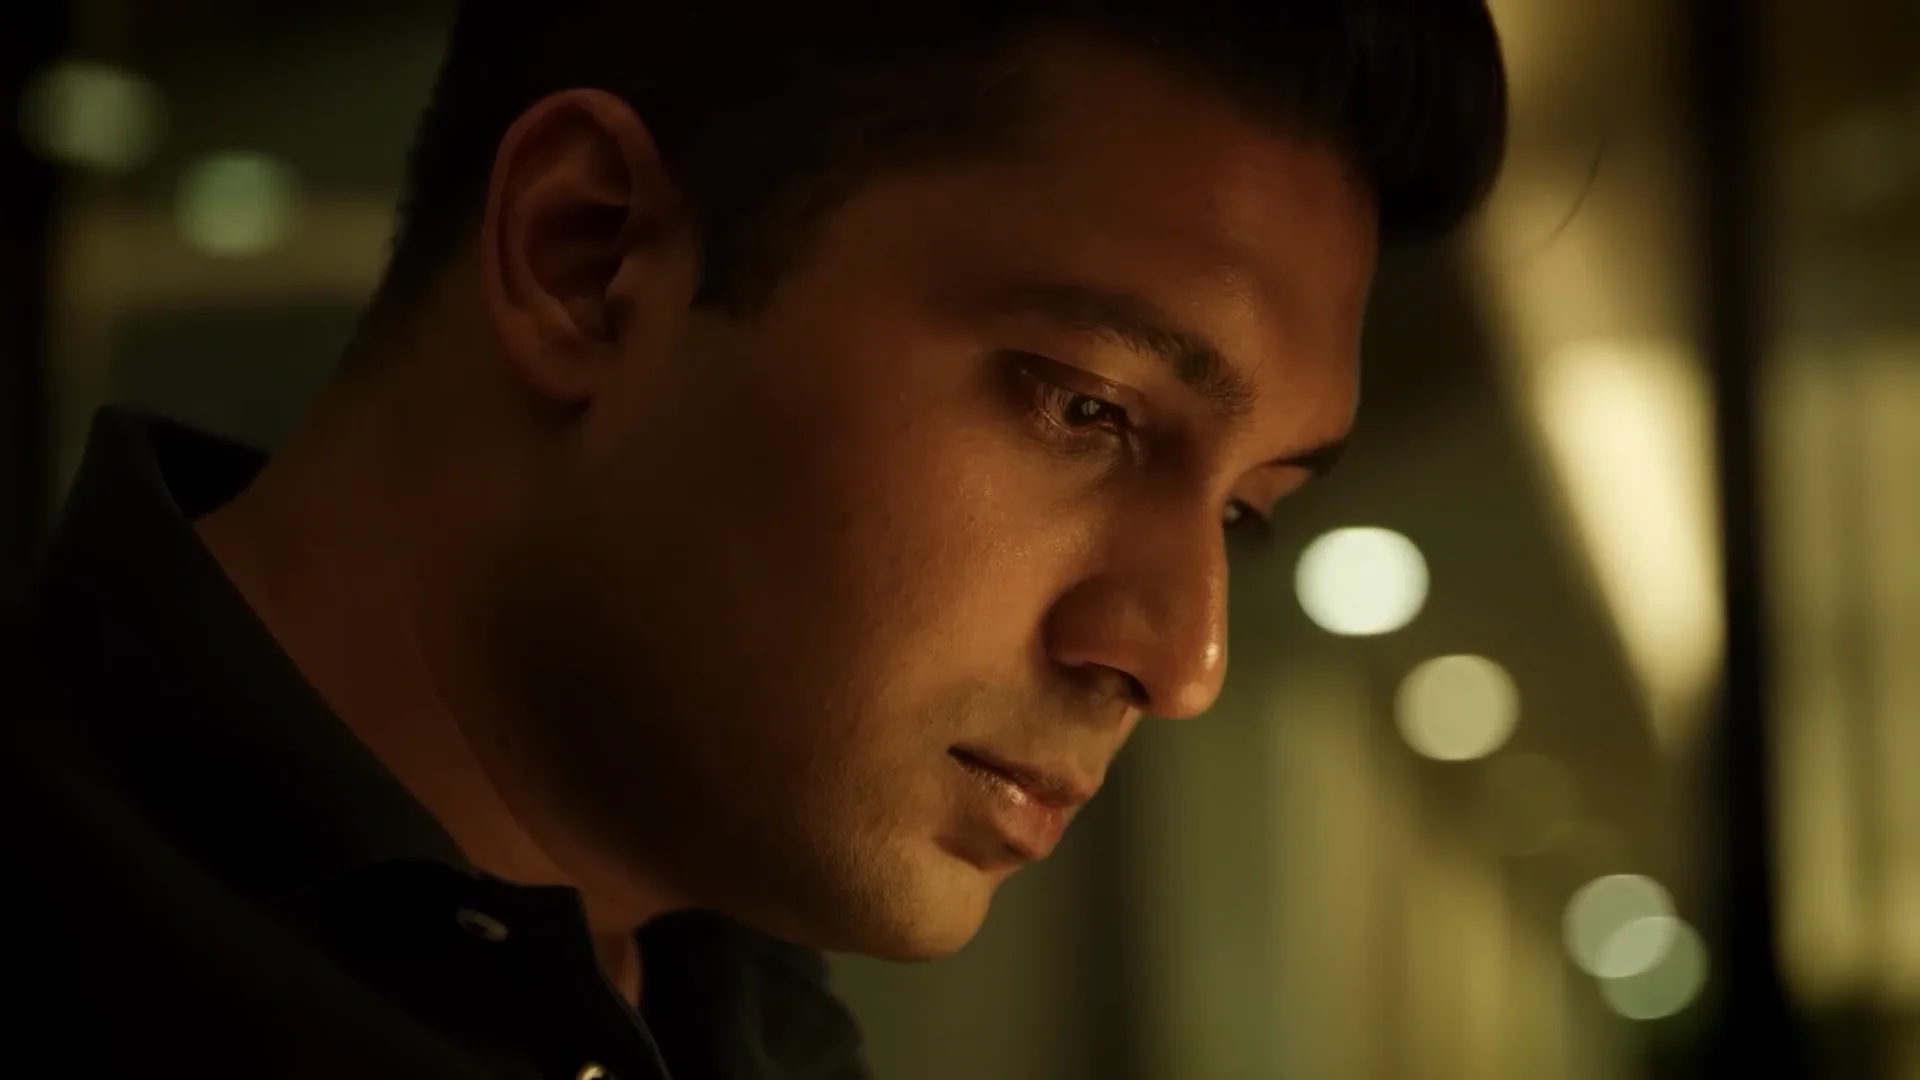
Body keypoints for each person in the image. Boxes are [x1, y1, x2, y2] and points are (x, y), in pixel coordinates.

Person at [3, 3, 1508, 1077]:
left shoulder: (738, 1024)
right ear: (587, 256)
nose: (1183, 663)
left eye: (1247, 512)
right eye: (1088, 410)